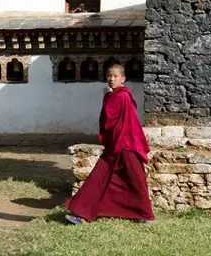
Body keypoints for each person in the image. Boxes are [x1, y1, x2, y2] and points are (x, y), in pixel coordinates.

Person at [64, 63, 154, 224]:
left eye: (115, 76)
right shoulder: (114, 96)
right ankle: (82, 214)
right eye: (109, 76)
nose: (111, 79)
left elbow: (112, 118)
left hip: (127, 144)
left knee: (135, 179)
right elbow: (108, 121)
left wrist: (108, 99)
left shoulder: (122, 96)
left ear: (123, 79)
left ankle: (144, 215)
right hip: (116, 144)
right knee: (101, 178)